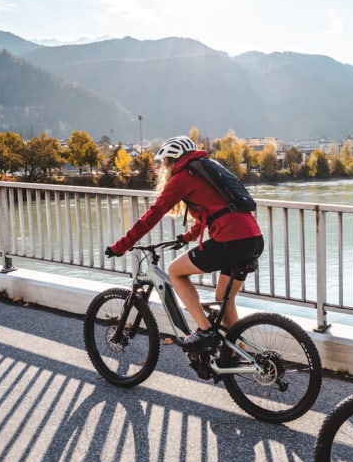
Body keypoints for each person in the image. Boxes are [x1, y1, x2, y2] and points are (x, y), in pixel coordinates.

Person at [105, 136, 264, 347]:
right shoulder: (207, 171)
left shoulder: (183, 178)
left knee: (175, 272)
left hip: (231, 242)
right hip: (252, 239)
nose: (163, 168)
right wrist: (187, 237)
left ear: (172, 161)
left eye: (164, 163)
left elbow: (152, 216)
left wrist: (121, 246)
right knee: (224, 302)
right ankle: (235, 352)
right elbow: (214, 211)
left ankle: (204, 330)